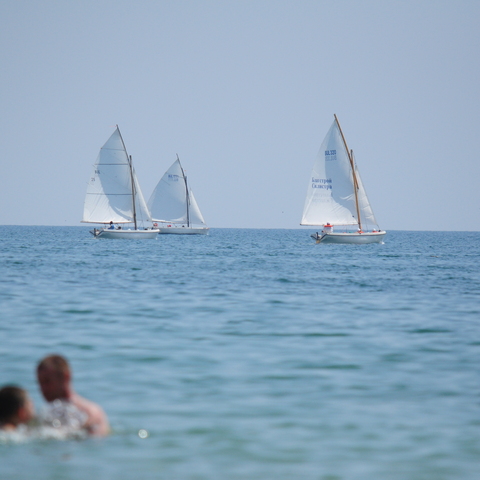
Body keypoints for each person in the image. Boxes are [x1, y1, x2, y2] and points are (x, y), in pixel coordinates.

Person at [36, 354, 109, 437]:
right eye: (40, 383)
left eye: (47, 381)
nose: (43, 388)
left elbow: (96, 440)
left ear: (66, 376)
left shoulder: (90, 413)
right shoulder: (44, 414)